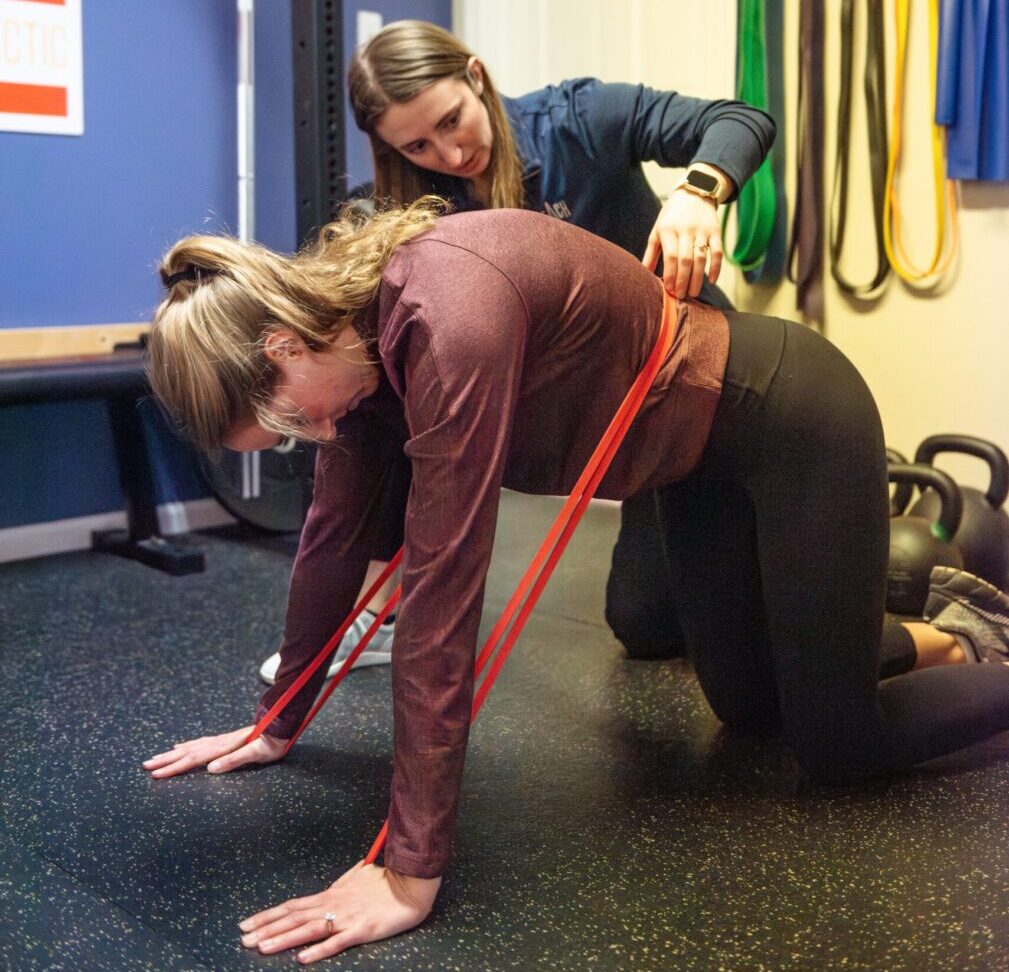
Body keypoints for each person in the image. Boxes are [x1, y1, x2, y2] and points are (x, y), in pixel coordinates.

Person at [144, 204, 1009, 963]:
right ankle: (951, 631)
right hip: (691, 467)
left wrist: (408, 871)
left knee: (836, 745)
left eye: (292, 416)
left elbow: (443, 596)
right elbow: (331, 542)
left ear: (282, 342)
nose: (315, 430)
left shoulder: (447, 318)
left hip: (790, 415)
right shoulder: (356, 367)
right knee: (749, 712)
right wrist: (279, 719)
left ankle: (959, 650)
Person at [257, 19, 966, 687]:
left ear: (475, 76)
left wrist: (699, 190)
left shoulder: (577, 119)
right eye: (417, 147)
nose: (448, 154)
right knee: (644, 625)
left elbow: (740, 119)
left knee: (794, 645)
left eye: (451, 121)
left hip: (694, 388)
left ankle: (916, 618)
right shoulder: (404, 208)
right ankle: (383, 610)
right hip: (618, 429)